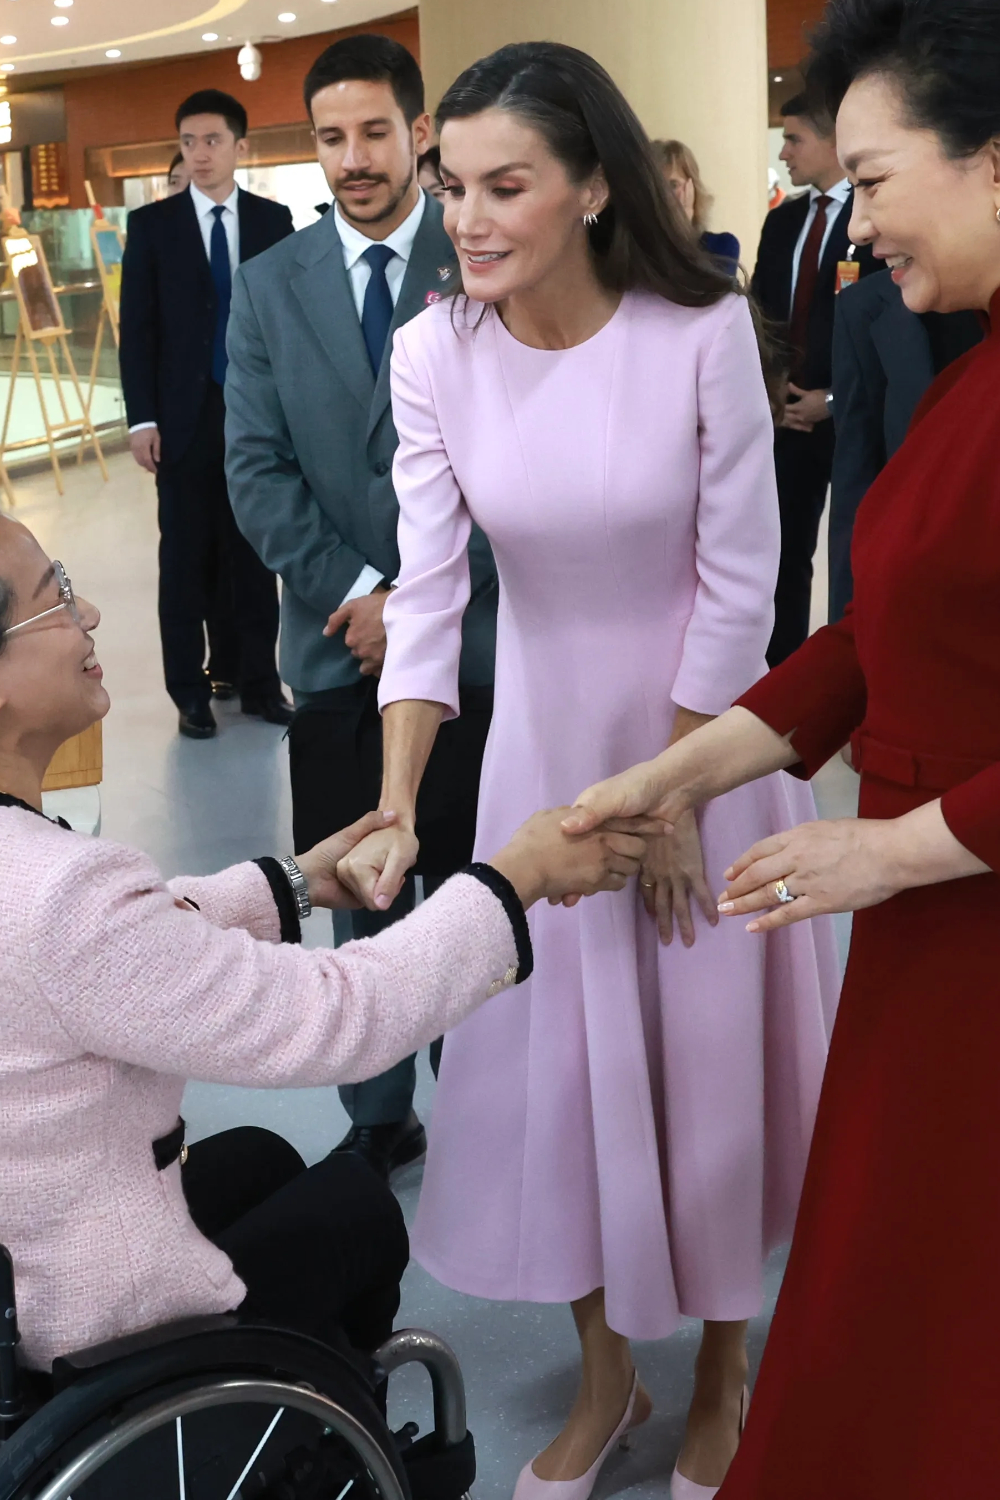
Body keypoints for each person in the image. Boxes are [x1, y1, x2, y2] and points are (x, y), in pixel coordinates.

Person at [337, 41, 838, 1500]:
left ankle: (726, 1381)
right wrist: (393, 795)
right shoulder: (437, 351)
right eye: (455, 188)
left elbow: (743, 579)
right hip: (545, 765)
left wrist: (673, 792)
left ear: (594, 188)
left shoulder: (696, 333)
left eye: (508, 187)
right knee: (564, 1073)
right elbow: (429, 592)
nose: (469, 220)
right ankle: (611, 1380)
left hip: (709, 741)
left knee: (708, 1052)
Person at [567, 0, 1000, 1490]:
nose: (856, 222)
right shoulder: (970, 370)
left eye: (872, 181)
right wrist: (671, 776)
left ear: (995, 160)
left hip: (960, 905)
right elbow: (877, 640)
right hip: (929, 923)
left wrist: (888, 847)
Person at [0, 514, 645, 1374]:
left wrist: (293, 882)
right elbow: (344, 1016)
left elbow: (123, 943)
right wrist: (510, 879)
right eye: (59, 599)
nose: (91, 618)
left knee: (264, 1157)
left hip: (32, 1252)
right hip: (96, 1324)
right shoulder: (60, 897)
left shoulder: (44, 888)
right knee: (360, 1213)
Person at [225, 35, 499, 1179]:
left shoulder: (483, 255)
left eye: (375, 133)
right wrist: (361, 592)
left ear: (419, 132)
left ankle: (493, 1089)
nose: (352, 159)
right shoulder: (269, 285)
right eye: (330, 138)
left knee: (480, 881)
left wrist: (426, 601)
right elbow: (254, 467)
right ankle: (379, 1108)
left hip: (482, 646)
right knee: (362, 886)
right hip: (336, 647)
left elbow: (521, 459)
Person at [119, 89, 294, 740]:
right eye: (188, 142)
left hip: (257, 418)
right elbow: (136, 333)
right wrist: (142, 419)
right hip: (183, 421)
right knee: (184, 559)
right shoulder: (153, 227)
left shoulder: (274, 221)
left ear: (240, 146)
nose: (199, 154)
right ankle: (189, 692)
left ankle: (258, 684)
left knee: (255, 558)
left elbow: (289, 328)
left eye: (212, 140)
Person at [751, 92, 877, 666]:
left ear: (831, 140)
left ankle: (858, 672)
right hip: (787, 417)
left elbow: (883, 328)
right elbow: (762, 313)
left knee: (858, 555)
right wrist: (774, 387)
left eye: (794, 137)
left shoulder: (872, 219)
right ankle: (785, 674)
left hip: (855, 416)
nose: (785, 150)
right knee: (784, 553)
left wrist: (832, 398)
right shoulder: (782, 222)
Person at [828, 266, 982, 620]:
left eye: (876, 204)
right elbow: (856, 484)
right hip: (918, 610)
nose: (858, 231)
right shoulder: (864, 306)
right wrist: (849, 627)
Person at [651, 139, 740, 270]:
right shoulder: (632, 247)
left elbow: (700, 287)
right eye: (656, 185)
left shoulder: (722, 246)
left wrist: (683, 224)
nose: (664, 195)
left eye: (673, 185)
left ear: (693, 189)